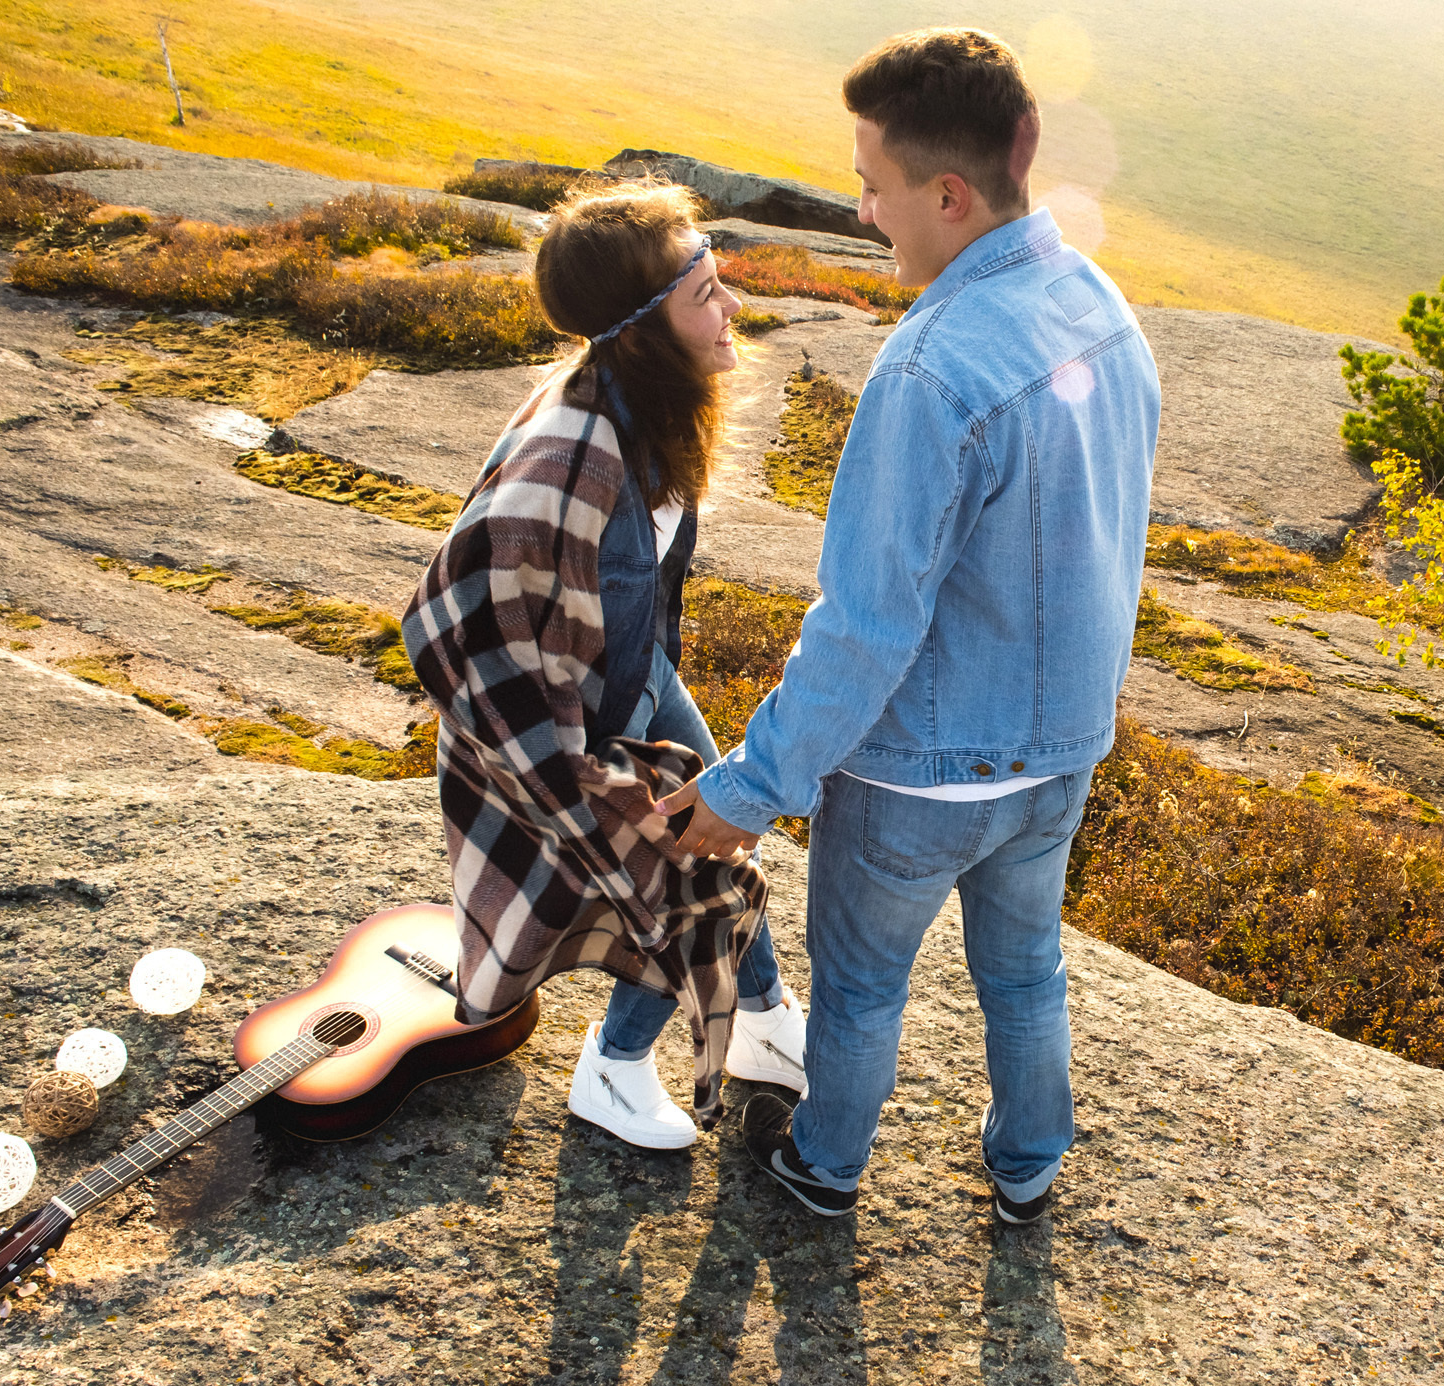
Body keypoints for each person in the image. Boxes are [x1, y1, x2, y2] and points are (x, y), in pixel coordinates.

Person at [678, 29, 1162, 1224]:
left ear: (949, 195)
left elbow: (864, 630)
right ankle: (1029, 1164)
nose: (861, 211)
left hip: (916, 780)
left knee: (859, 991)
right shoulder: (1101, 305)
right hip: (1059, 758)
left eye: (872, 185)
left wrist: (751, 787)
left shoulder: (926, 373)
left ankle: (825, 1165)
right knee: (1026, 970)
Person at [399, 183, 810, 1151]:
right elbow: (454, 611)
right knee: (685, 872)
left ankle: (763, 1019)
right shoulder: (575, 454)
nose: (732, 307)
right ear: (642, 328)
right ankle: (614, 1070)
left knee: (727, 833)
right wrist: (568, 772)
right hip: (581, 719)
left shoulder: (644, 405)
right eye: (705, 293)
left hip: (638, 675)